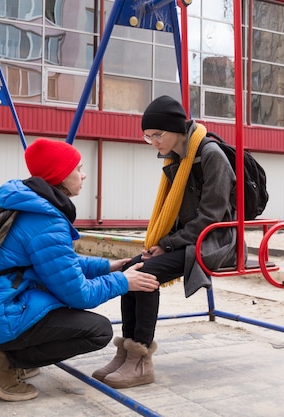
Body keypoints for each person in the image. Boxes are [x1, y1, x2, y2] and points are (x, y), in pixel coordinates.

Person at [0, 137, 160, 402]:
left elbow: (59, 263)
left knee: (53, 298)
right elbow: (79, 294)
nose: (84, 175)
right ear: (59, 175)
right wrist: (122, 281)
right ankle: (2, 361)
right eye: (78, 169)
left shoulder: (25, 206)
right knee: (98, 330)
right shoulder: (47, 221)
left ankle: (12, 355)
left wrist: (107, 266)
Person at [92, 95, 243, 389]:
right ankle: (126, 352)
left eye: (157, 135)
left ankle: (141, 360)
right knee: (133, 270)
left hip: (215, 240)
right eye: (148, 137)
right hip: (187, 238)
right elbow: (174, 212)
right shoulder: (178, 158)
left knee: (146, 275)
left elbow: (211, 217)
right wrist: (163, 242)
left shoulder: (211, 155)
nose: (154, 142)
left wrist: (169, 244)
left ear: (176, 129)